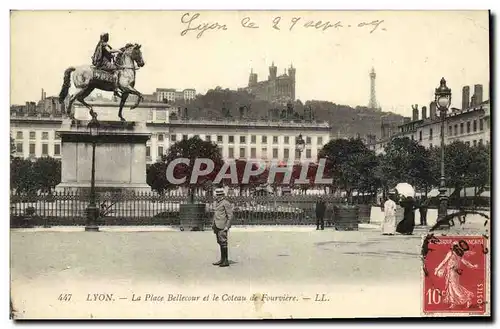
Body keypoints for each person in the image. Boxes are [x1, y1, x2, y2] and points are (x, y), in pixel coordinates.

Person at [434, 242, 478, 309]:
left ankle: (468, 299)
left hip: (452, 272)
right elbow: (465, 262)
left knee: (455, 288)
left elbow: (444, 262)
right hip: (452, 272)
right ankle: (453, 303)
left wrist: (437, 269)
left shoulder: (451, 253)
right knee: (450, 288)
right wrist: (473, 266)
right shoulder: (459, 254)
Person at [212, 188, 234, 267]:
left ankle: (226, 261)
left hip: (222, 226)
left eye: (219, 195)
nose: (218, 196)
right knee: (220, 242)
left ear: (222, 196)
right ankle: (222, 259)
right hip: (217, 225)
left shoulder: (226, 203)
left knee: (224, 243)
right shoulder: (217, 203)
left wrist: (227, 226)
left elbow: (230, 216)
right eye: (217, 195)